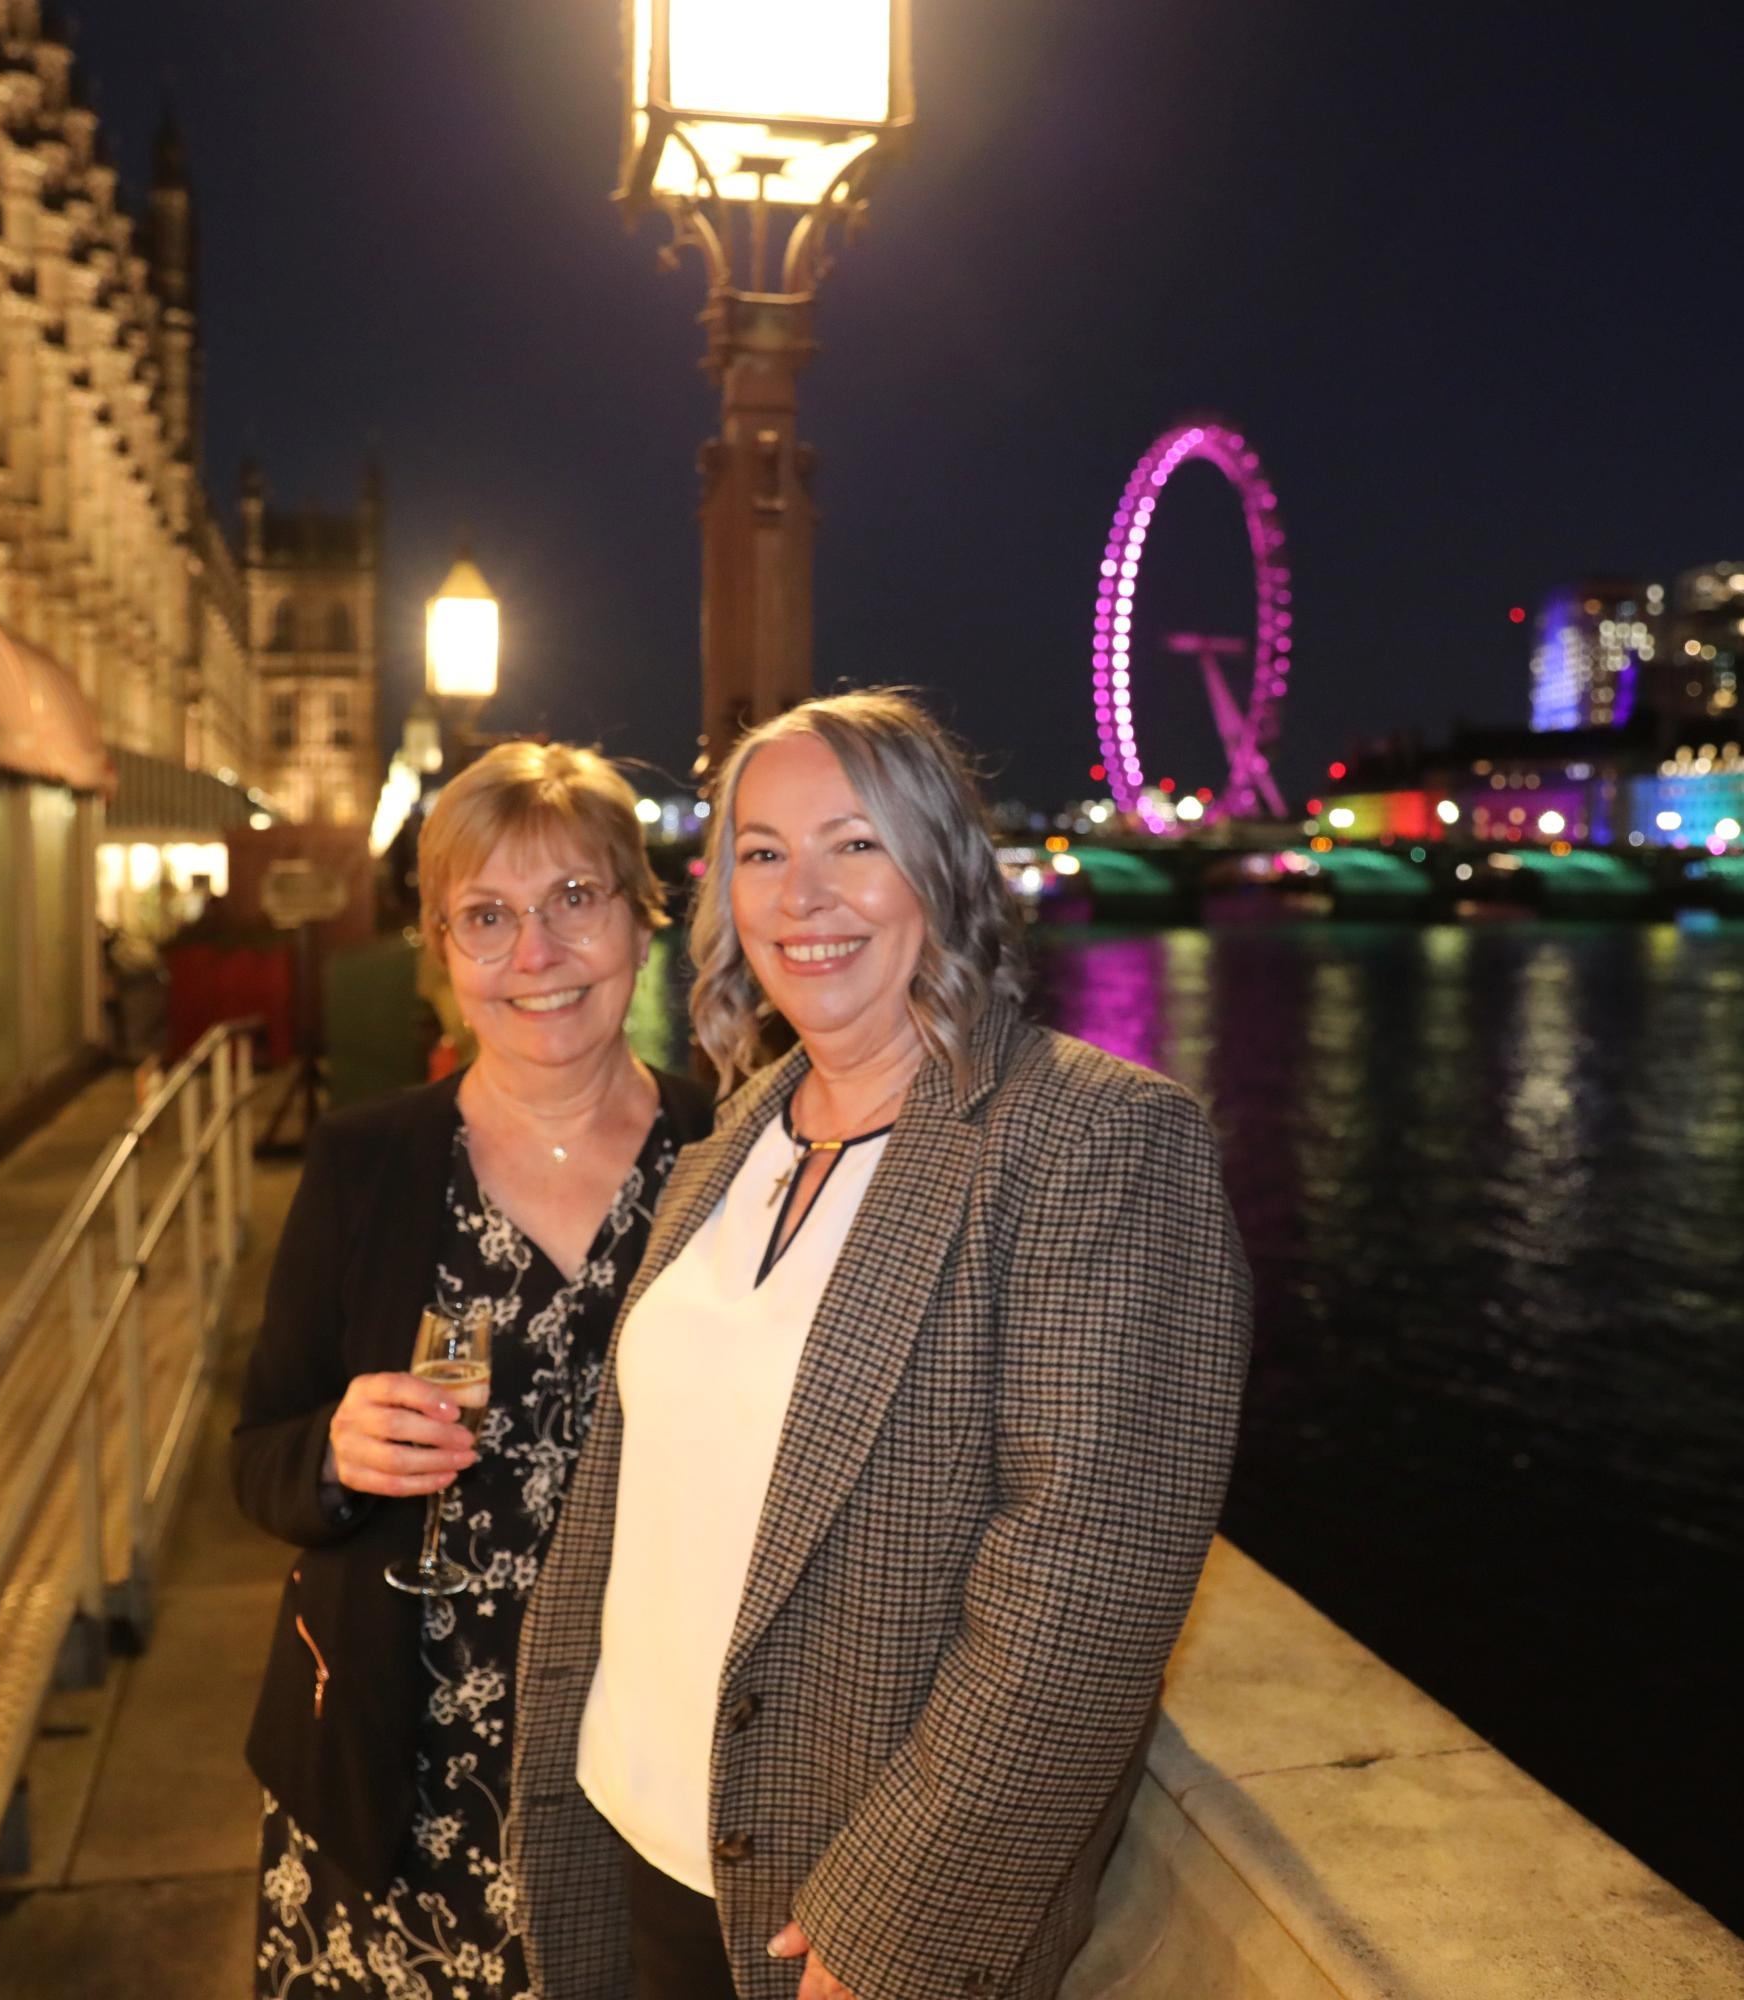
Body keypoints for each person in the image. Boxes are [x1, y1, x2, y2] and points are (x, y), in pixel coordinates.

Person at [510, 691, 1254, 2000]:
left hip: (824, 1914)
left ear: (944, 868)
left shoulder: (1093, 1140)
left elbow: (1087, 1580)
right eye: (762, 852)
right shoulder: (736, 1138)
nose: (803, 896)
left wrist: (897, 1926)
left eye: (855, 843)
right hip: (626, 1834)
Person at [235, 740, 716, 1998]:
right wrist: (333, 1453)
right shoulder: (366, 1160)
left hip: (649, 1779)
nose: (535, 953)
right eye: (487, 916)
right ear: (441, 952)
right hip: (399, 1777)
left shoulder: (732, 1151)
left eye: (575, 899)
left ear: (643, 919)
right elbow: (258, 1452)